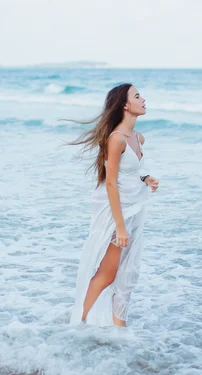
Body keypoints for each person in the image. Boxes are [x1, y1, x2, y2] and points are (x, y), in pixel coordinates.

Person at [67, 83, 159, 327]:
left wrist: (145, 178)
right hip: (116, 213)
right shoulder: (116, 139)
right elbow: (110, 184)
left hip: (135, 209)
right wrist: (119, 227)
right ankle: (77, 323)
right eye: (137, 96)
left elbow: (128, 174)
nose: (143, 99)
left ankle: (120, 331)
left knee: (128, 273)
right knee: (107, 274)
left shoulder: (138, 138)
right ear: (125, 105)